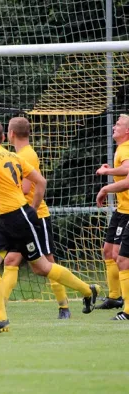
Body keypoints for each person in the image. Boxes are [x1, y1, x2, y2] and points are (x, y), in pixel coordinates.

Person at [0, 119, 99, 334]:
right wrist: (32, 209)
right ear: (4, 138)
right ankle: (0, 318)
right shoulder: (13, 155)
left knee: (43, 267)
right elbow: (41, 182)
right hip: (7, 219)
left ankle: (87, 291)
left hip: (19, 217)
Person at [0, 117, 71, 320]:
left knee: (47, 263)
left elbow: (26, 188)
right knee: (11, 259)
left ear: (10, 134)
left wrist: (7, 190)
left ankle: (65, 305)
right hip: (19, 215)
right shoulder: (15, 154)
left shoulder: (27, 155)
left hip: (35, 215)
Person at [94, 114, 129, 310]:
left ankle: (125, 298)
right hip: (121, 209)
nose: (114, 126)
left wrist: (107, 172)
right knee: (108, 251)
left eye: (118, 124)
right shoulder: (121, 148)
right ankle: (114, 296)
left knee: (119, 255)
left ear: (127, 131)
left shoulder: (126, 148)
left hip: (128, 212)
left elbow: (127, 169)